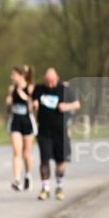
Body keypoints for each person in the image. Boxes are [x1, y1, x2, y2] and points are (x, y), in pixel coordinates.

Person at [32, 68, 80, 200]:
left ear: (57, 79)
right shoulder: (39, 89)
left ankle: (59, 185)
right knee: (44, 160)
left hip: (61, 132)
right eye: (47, 81)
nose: (50, 84)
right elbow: (34, 101)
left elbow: (77, 104)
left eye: (52, 81)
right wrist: (34, 105)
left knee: (61, 161)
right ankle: (45, 188)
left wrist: (67, 107)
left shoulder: (64, 89)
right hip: (44, 131)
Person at [7, 65, 36, 191]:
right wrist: (9, 102)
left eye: (14, 75)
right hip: (15, 121)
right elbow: (9, 106)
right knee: (16, 151)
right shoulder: (11, 88)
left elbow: (34, 104)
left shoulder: (30, 87)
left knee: (26, 153)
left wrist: (25, 97)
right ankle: (17, 179)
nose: (11, 77)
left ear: (21, 76)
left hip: (27, 121)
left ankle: (28, 175)